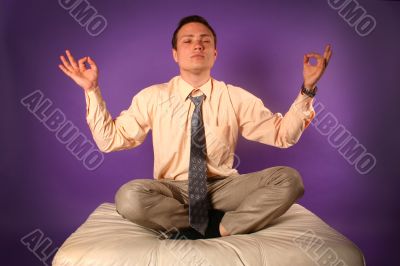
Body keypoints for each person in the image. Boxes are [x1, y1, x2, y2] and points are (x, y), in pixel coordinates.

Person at [58, 15, 332, 240]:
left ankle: (216, 228)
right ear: (175, 54)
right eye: (188, 41)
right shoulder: (152, 97)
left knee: (289, 180)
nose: (197, 46)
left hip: (224, 188)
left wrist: (307, 90)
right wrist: (92, 90)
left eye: (205, 41)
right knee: (128, 197)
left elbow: (283, 135)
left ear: (215, 52)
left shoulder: (235, 96)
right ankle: (207, 222)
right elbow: (110, 141)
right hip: (173, 192)